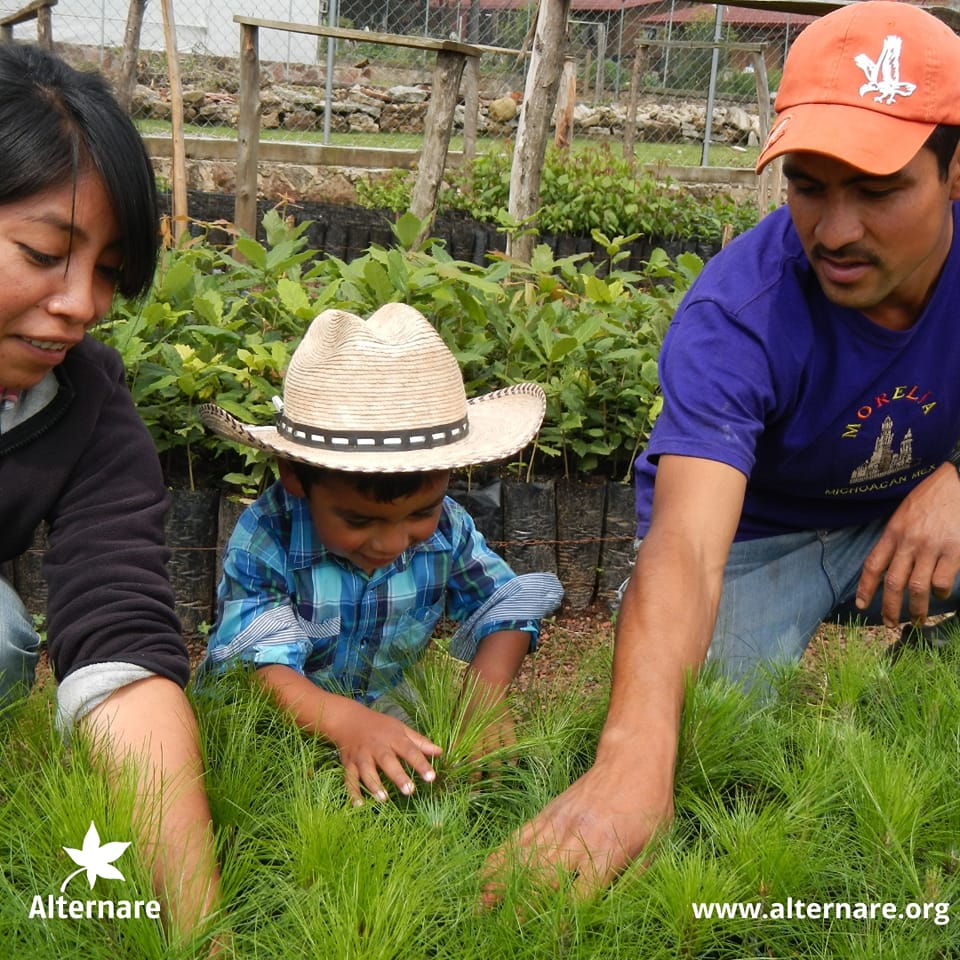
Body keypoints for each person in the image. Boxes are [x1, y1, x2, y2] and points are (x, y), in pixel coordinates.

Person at [484, 0, 960, 899]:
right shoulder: (738, 313)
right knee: (709, 727)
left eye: (879, 189)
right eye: (809, 185)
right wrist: (630, 762)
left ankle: (929, 654)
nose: (835, 231)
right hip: (755, 544)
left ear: (956, 168)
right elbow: (692, 546)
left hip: (901, 513)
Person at [0, 44, 220, 940]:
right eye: (47, 253)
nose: (82, 303)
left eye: (106, 271)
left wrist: (196, 932)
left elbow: (118, 625)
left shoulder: (85, 400)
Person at [198, 303, 563, 805]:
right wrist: (348, 723)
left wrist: (483, 698)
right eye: (359, 521)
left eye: (420, 514)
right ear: (296, 478)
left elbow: (505, 606)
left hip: (384, 703)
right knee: (271, 799)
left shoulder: (450, 527)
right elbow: (264, 667)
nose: (393, 543)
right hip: (265, 719)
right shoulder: (269, 536)